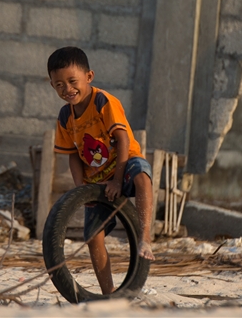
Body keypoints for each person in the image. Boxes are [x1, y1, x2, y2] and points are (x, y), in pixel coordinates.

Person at [47, 46, 154, 295]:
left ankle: (145, 237)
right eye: (59, 85)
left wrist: (117, 181)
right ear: (51, 85)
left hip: (124, 165)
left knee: (142, 175)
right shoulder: (65, 117)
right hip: (96, 179)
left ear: (89, 77)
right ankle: (109, 293)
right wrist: (81, 190)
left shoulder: (103, 101)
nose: (67, 89)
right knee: (93, 237)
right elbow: (72, 155)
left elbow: (123, 139)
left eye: (73, 81)